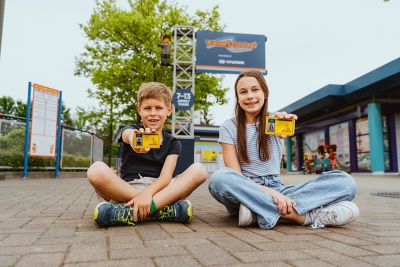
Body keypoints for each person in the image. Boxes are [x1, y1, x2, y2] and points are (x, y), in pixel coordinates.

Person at [208, 71, 359, 229]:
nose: (250, 96)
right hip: (245, 190)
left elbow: (284, 133)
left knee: (346, 182)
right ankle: (304, 216)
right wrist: (273, 194)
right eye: (243, 92)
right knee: (219, 178)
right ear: (238, 98)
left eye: (255, 90)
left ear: (265, 93)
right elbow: (235, 176)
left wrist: (285, 130)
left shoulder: (276, 120)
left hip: (277, 187)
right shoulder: (228, 127)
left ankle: (256, 212)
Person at [87, 82, 208, 227]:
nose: (153, 113)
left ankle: (129, 211)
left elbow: (166, 177)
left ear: (169, 110)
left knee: (199, 171)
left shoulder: (173, 143)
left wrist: (148, 194)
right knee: (95, 170)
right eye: (147, 108)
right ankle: (160, 210)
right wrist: (134, 141)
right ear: (139, 110)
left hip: (160, 192)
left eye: (158, 108)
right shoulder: (132, 130)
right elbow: (127, 134)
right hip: (128, 189)